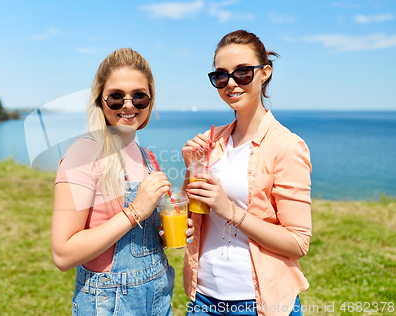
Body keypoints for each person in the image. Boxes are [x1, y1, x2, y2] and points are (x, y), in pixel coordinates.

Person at [51, 48, 191, 316]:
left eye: (139, 96)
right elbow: (63, 254)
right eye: (116, 97)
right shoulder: (84, 154)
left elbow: (133, 236)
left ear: (150, 101)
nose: (129, 105)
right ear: (99, 100)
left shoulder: (145, 154)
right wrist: (135, 211)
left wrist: (161, 235)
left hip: (157, 298)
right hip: (111, 303)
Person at [182, 30, 312, 316]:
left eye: (242, 72)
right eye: (221, 75)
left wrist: (231, 211)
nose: (230, 83)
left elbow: (298, 243)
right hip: (202, 299)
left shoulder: (287, 146)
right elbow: (193, 215)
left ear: (265, 73)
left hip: (258, 303)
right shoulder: (211, 142)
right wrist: (191, 167)